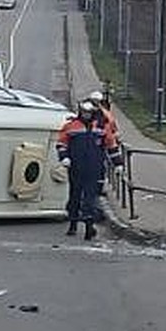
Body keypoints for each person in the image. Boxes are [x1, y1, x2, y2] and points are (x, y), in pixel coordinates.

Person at [56, 100, 119, 240]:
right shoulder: (71, 126)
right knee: (75, 196)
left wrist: (118, 163)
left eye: (88, 113)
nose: (86, 115)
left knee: (90, 198)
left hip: (94, 168)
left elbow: (111, 145)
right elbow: (61, 144)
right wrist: (64, 157)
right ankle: (73, 223)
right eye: (84, 112)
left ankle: (89, 227)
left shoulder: (102, 127)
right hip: (76, 167)